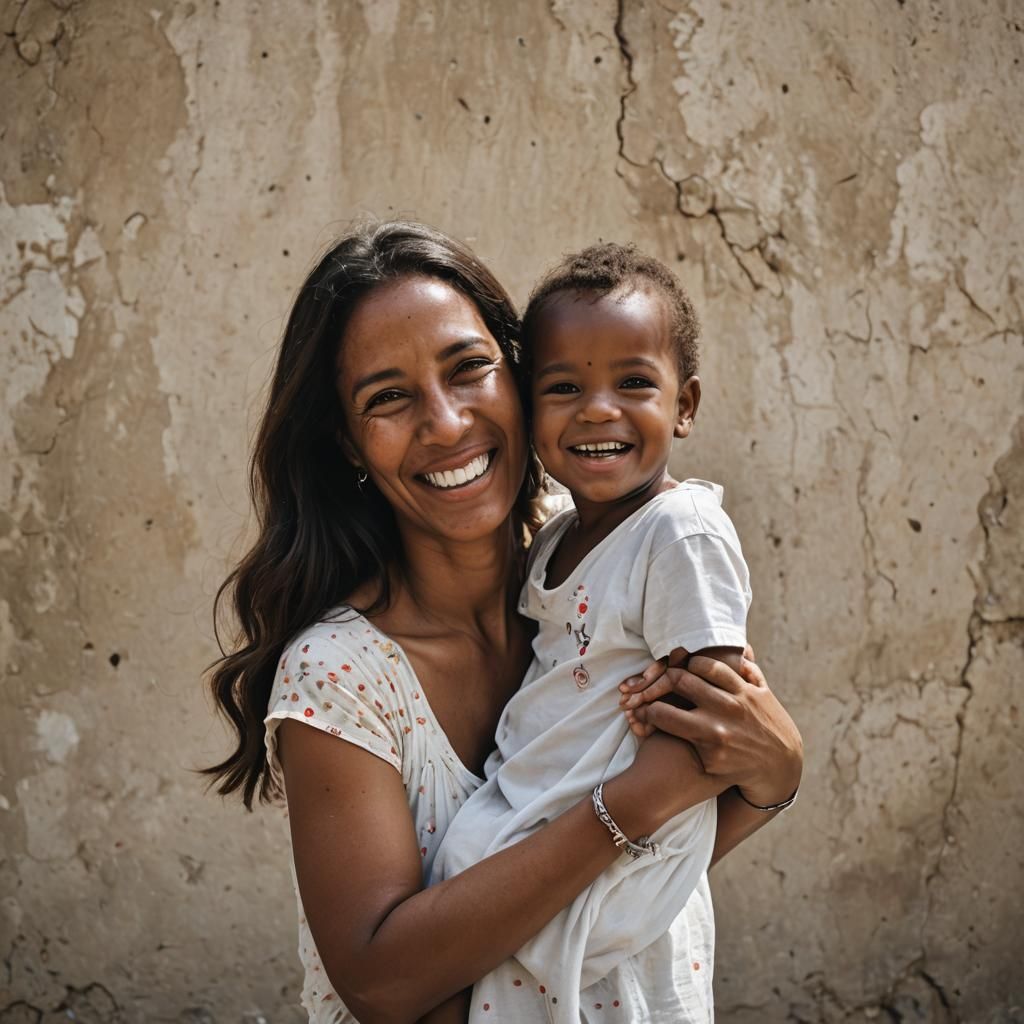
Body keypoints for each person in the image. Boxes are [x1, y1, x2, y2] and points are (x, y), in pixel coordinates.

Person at [204, 221, 803, 1024]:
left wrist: (775, 776)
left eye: (469, 369)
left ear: (516, 377)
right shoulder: (342, 675)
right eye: (389, 397)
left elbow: (647, 863)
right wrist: (632, 802)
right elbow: (382, 983)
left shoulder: (598, 573)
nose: (447, 424)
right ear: (349, 444)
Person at [430, 241, 783, 1022]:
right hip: (558, 828)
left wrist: (627, 840)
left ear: (684, 405)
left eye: (633, 383)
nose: (597, 410)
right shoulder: (555, 539)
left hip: (621, 864)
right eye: (563, 387)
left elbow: (716, 720)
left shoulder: (680, 532)